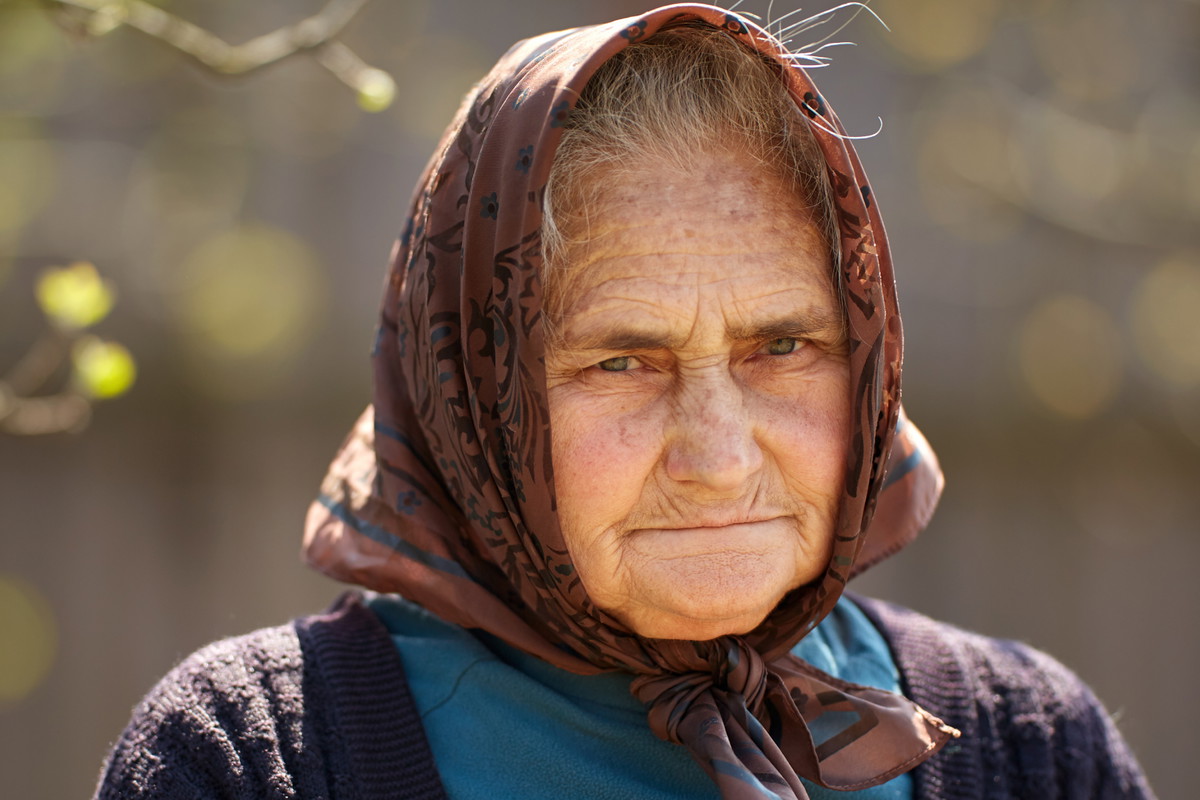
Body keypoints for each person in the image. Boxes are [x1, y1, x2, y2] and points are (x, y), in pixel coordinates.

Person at [94, 5, 1156, 799]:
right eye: (621, 362)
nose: (719, 455)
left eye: (783, 346)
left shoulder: (1028, 747)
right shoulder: (260, 758)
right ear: (479, 407)